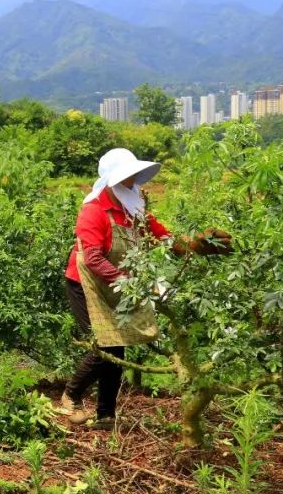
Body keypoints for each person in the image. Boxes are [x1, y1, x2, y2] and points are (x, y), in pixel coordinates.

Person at [60, 148, 231, 430]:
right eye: (127, 177)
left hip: (118, 282)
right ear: (113, 180)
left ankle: (105, 415)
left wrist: (196, 246)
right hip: (85, 282)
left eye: (133, 176)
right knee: (104, 344)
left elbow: (163, 238)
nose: (133, 182)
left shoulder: (134, 210)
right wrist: (130, 283)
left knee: (118, 347)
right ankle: (71, 396)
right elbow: (92, 259)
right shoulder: (94, 211)